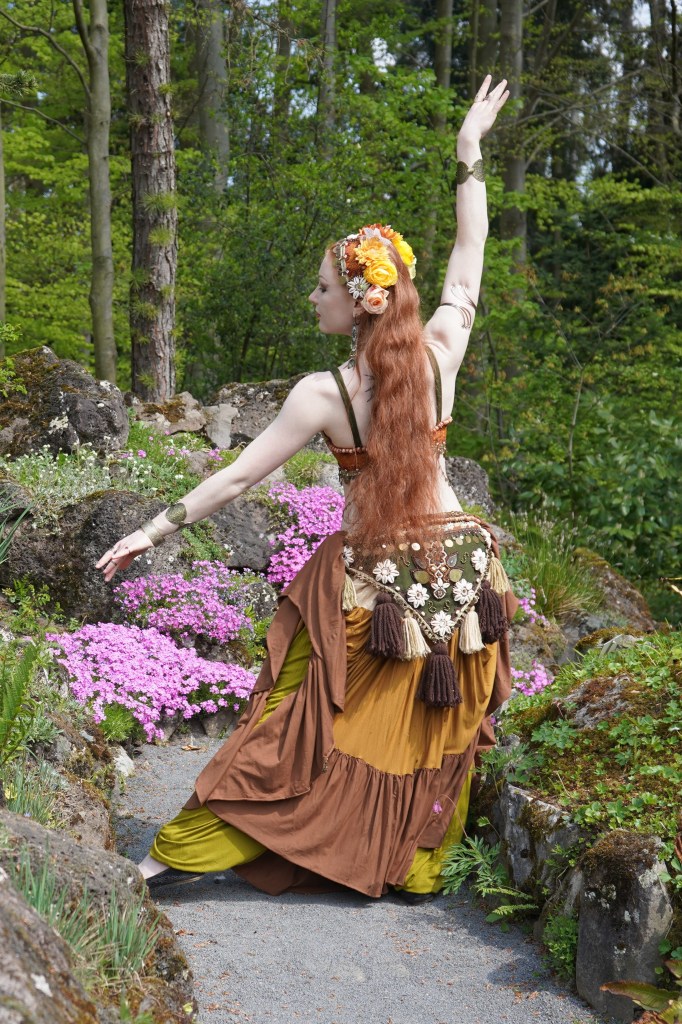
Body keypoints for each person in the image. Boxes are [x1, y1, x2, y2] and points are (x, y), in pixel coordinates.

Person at [97, 76, 514, 902]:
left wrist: (151, 530)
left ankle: (167, 859)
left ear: (359, 304)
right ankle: (401, 859)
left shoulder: (325, 394)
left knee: (294, 717)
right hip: (469, 576)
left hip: (378, 581)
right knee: (418, 731)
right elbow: (469, 264)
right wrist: (469, 154)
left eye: (324, 287)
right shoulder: (441, 351)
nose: (313, 298)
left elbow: (240, 474)